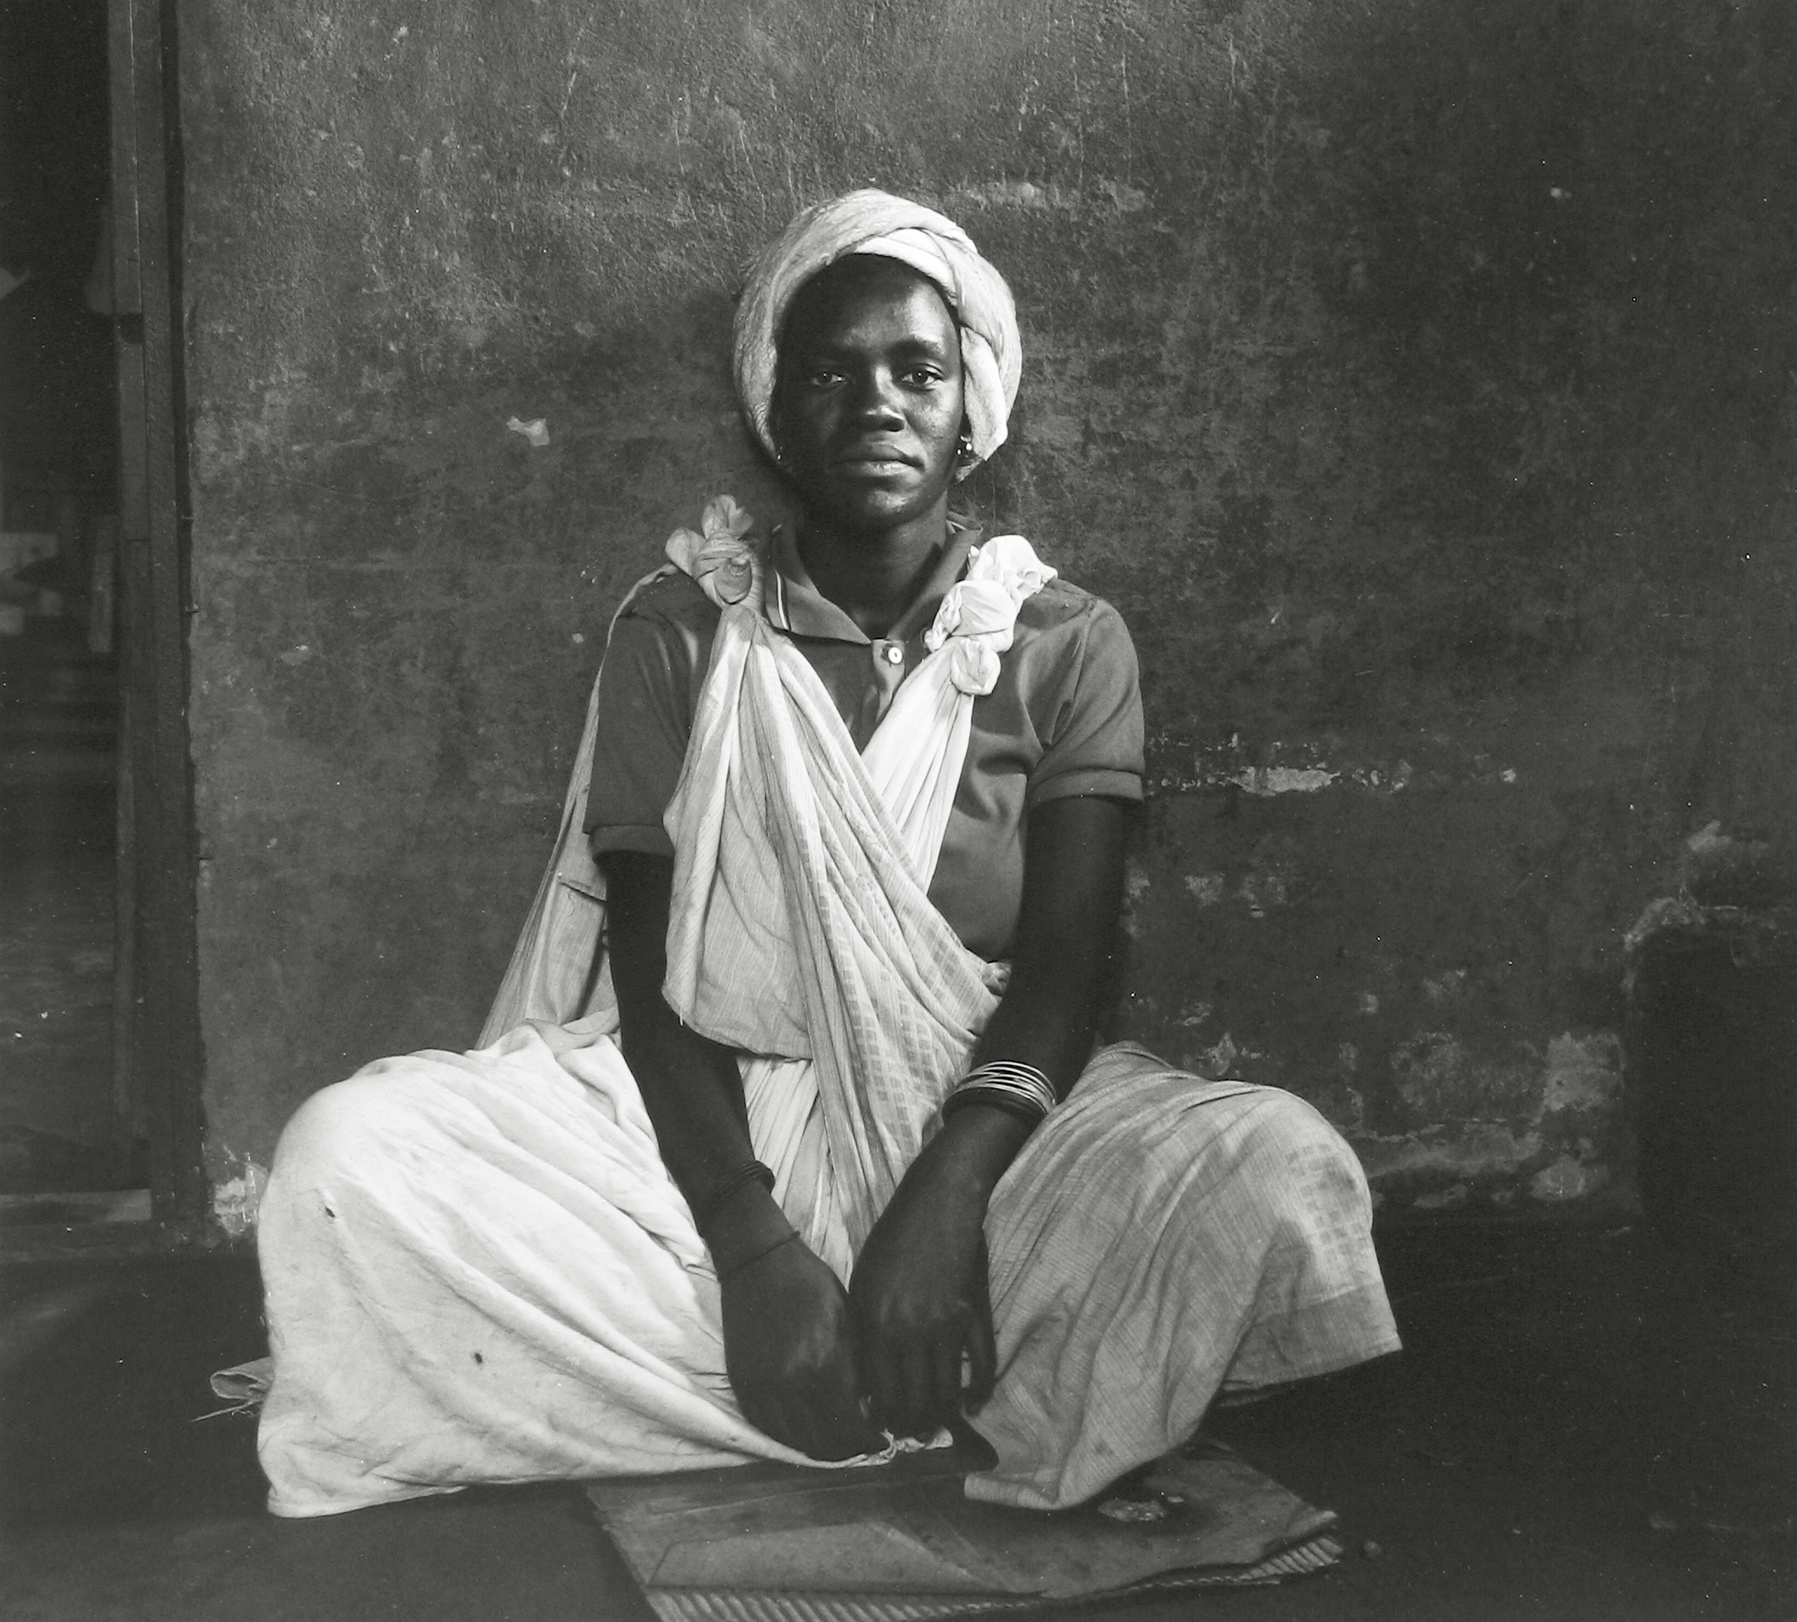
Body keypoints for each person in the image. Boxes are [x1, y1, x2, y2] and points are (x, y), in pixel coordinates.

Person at [252, 191, 1398, 1519]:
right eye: (829, 373)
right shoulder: (680, 632)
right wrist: (752, 1248)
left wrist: (941, 1205)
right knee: (345, 1155)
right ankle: (922, 1364)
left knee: (1270, 1162)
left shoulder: (1065, 642)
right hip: (709, 1115)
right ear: (773, 412)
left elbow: (1068, 974)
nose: (876, 402)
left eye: (916, 368)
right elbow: (650, 968)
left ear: (971, 405)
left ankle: (805, 1364)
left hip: (978, 1104)